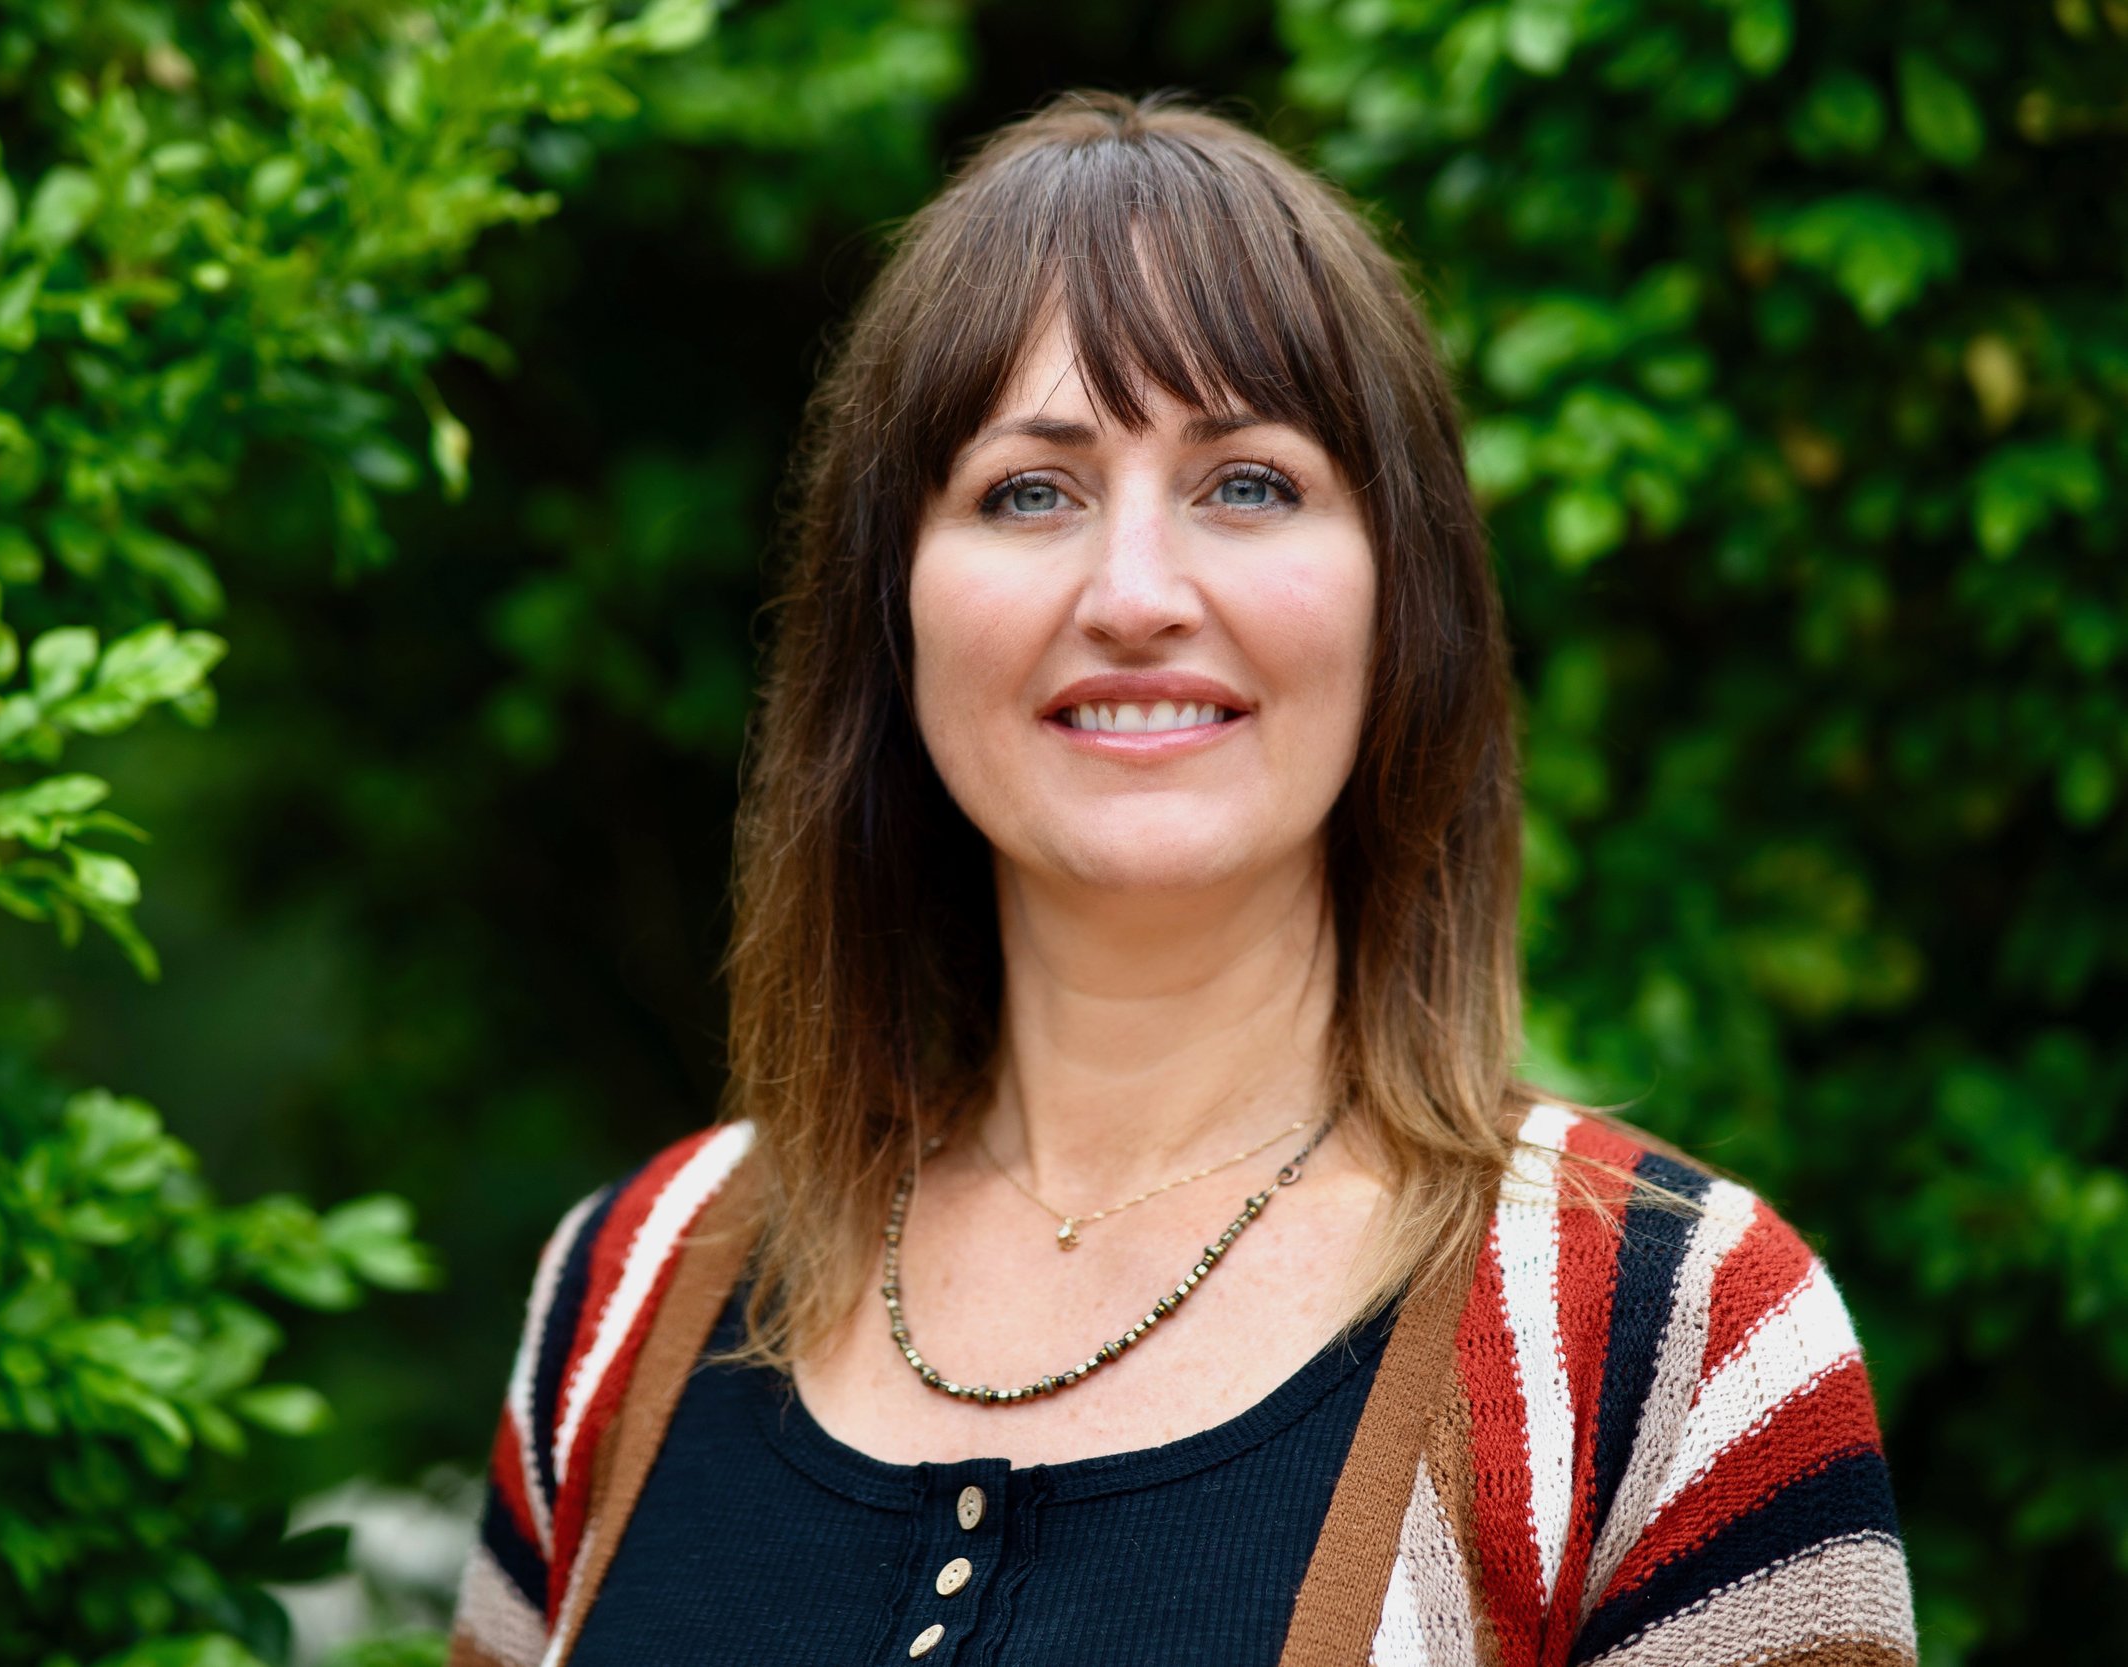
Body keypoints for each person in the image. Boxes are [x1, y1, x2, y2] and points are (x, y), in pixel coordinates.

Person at [446, 91, 1917, 1667]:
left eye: (1247, 483)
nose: (1135, 594)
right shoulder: (635, 1284)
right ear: (893, 613)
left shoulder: (1668, 1336)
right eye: (1031, 491)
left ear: (1398, 602)